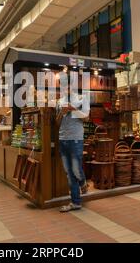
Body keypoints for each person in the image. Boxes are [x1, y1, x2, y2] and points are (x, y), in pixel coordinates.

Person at [56, 85, 90, 213]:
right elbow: (57, 122)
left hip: (76, 138)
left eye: (69, 86)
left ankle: (82, 182)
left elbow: (86, 118)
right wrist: (62, 113)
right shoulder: (60, 101)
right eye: (64, 86)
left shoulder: (82, 98)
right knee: (69, 172)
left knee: (75, 169)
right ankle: (76, 202)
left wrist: (73, 109)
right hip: (62, 139)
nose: (66, 89)